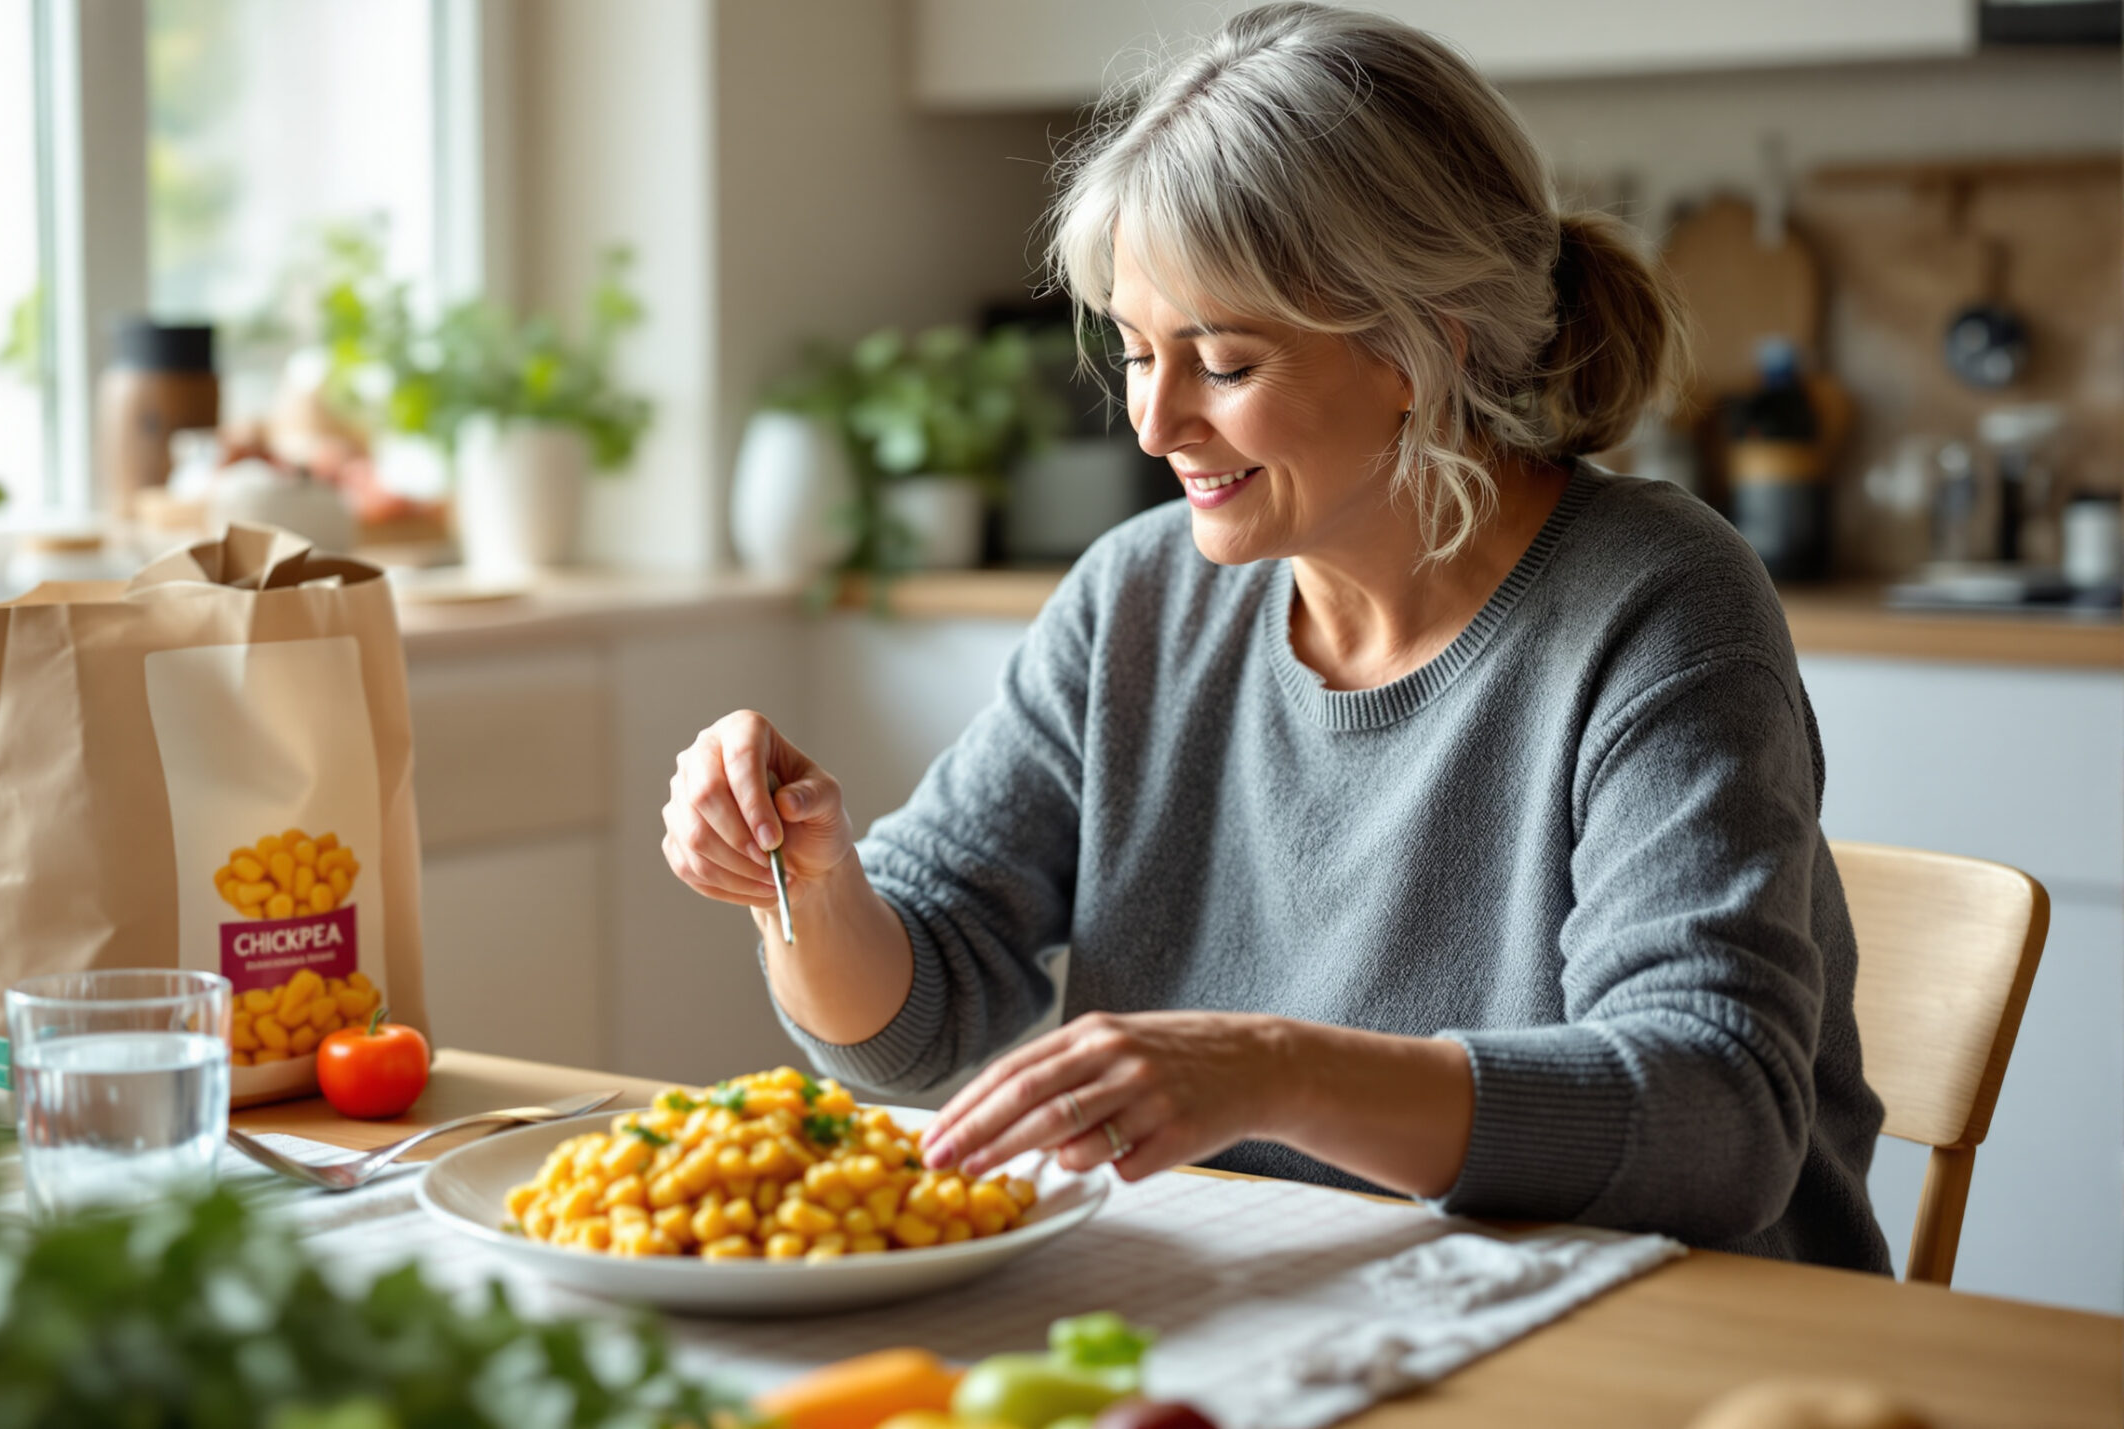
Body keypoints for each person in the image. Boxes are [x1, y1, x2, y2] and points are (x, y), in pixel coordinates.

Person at [658, 2, 1888, 1270]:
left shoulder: (1656, 601)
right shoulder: (1136, 599)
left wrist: (1266, 1069)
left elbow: (1713, 1122)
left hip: (1677, 1348)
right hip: (1288, 1306)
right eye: (1136, 353)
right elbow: (912, 1013)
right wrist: (808, 885)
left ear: (1421, 349)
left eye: (1224, 364)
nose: (1154, 423)